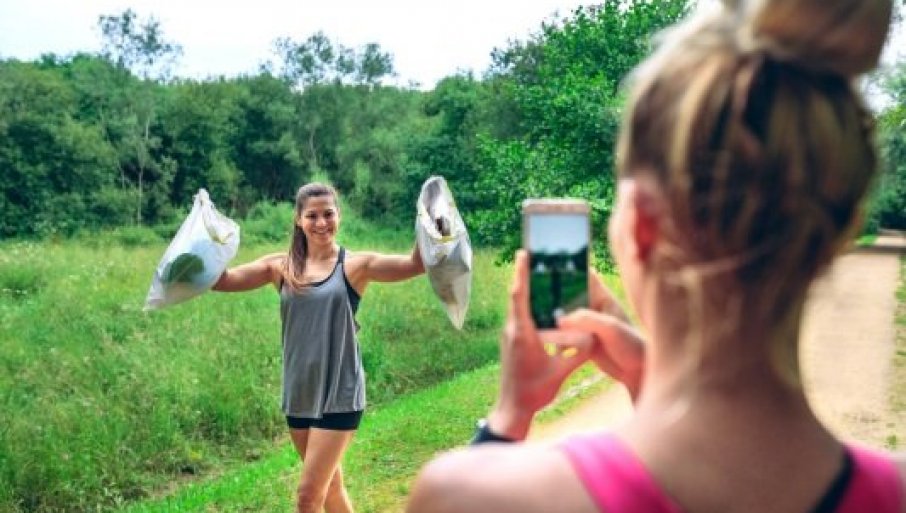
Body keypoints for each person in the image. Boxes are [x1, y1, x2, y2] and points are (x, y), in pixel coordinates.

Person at [406, 0, 905, 512]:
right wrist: (647, 381)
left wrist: (509, 416)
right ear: (840, 232)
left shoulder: (472, 495)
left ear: (642, 227)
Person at [212, 182, 424, 513]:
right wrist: (203, 244)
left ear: (339, 216)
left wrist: (432, 222)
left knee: (307, 497)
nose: (321, 222)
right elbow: (222, 280)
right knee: (330, 489)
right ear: (298, 220)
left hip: (340, 392)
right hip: (300, 392)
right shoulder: (280, 267)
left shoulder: (356, 266)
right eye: (312, 215)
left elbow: (415, 264)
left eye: (328, 214)